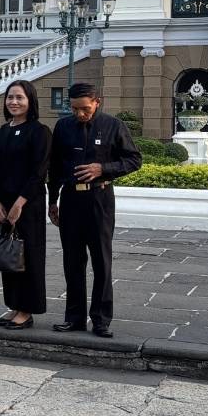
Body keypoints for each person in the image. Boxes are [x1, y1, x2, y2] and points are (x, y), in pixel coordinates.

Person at [48, 81, 142, 338]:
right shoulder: (63, 127)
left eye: (85, 109)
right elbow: (55, 166)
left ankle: (101, 319)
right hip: (70, 200)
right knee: (72, 261)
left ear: (97, 102)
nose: (80, 114)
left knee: (101, 261)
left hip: (100, 199)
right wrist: (52, 200)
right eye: (74, 109)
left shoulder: (113, 125)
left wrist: (104, 169)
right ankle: (74, 318)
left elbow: (134, 160)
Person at [0, 79, 52, 330]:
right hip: (3, 204)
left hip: (29, 204)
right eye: (10, 97)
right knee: (9, 254)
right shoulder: (1, 132)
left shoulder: (40, 131)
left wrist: (19, 204)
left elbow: (39, 172)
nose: (14, 102)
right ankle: (14, 305)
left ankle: (27, 310)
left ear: (30, 101)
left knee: (29, 256)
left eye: (19, 97)